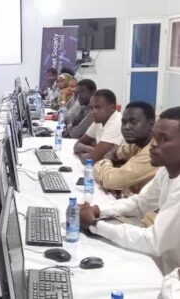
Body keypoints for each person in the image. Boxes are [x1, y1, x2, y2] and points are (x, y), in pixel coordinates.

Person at [79, 107, 180, 275]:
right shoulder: (166, 170)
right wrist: (98, 210)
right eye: (154, 136)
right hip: (165, 264)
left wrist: (95, 225)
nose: (154, 144)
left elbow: (153, 241)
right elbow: (140, 203)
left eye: (163, 138)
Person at [94, 101, 157, 198]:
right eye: (124, 122)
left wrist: (106, 161)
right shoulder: (136, 144)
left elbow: (110, 180)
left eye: (133, 122)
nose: (126, 127)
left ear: (150, 124)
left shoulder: (153, 153)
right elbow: (115, 153)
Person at [73, 89, 124, 164]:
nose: (93, 112)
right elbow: (77, 145)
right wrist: (87, 148)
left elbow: (91, 161)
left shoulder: (117, 122)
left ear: (112, 108)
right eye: (91, 108)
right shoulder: (99, 120)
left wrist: (81, 153)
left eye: (98, 107)